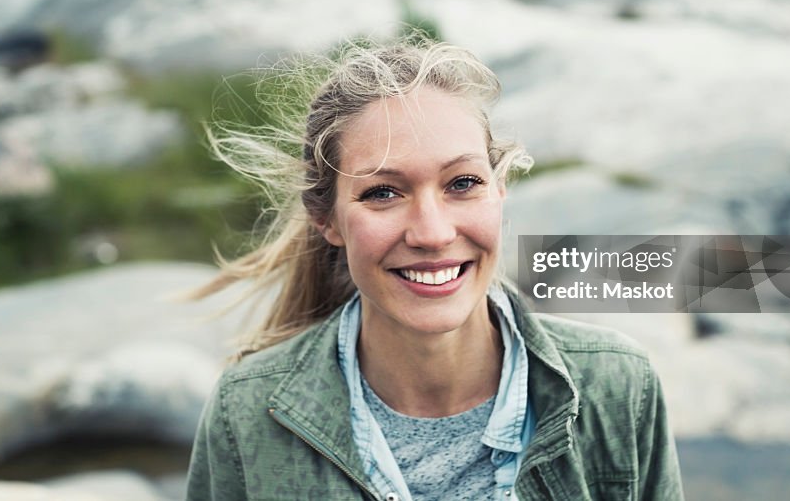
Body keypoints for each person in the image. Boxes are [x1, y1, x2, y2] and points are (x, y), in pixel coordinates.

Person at [185, 38, 684, 501]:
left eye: (462, 183)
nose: (433, 233)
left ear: (500, 189)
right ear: (327, 219)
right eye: (383, 193)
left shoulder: (617, 384)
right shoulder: (246, 412)